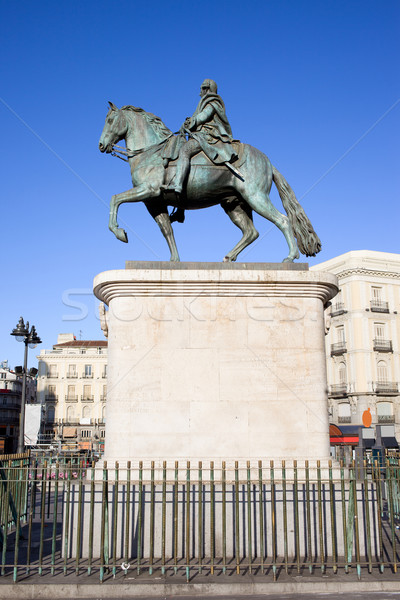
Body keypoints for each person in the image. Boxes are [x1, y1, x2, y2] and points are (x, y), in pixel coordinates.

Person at [161, 79, 238, 222]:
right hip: (199, 135)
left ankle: (177, 184)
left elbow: (204, 116)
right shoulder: (204, 103)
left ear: (208, 89)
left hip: (208, 136)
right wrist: (189, 123)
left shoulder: (212, 103)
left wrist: (192, 122)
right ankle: (180, 210)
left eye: (203, 89)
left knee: (184, 151)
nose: (200, 93)